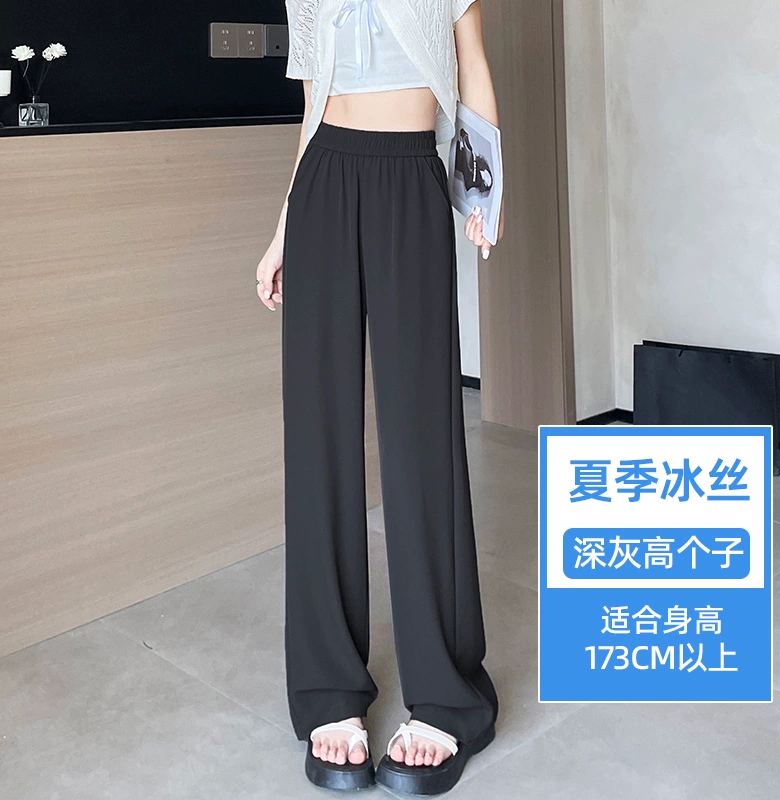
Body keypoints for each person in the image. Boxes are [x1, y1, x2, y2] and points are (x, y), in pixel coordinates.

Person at [256, 0, 505, 794]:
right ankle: (327, 688)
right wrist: (284, 231)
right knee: (318, 438)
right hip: (324, 183)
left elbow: (472, 65)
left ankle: (448, 694)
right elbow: (312, 108)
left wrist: (485, 188)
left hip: (411, 179)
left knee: (421, 437)